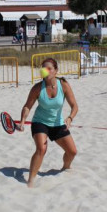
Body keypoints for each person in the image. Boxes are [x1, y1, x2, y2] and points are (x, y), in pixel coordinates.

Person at [19, 58, 78, 188]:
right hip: (40, 122)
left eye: (49, 68)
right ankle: (30, 181)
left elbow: (75, 106)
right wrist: (22, 121)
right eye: (43, 68)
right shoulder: (37, 88)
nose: (45, 71)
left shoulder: (63, 85)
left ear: (56, 71)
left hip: (58, 123)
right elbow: (27, 106)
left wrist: (70, 118)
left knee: (72, 152)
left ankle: (65, 168)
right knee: (42, 148)